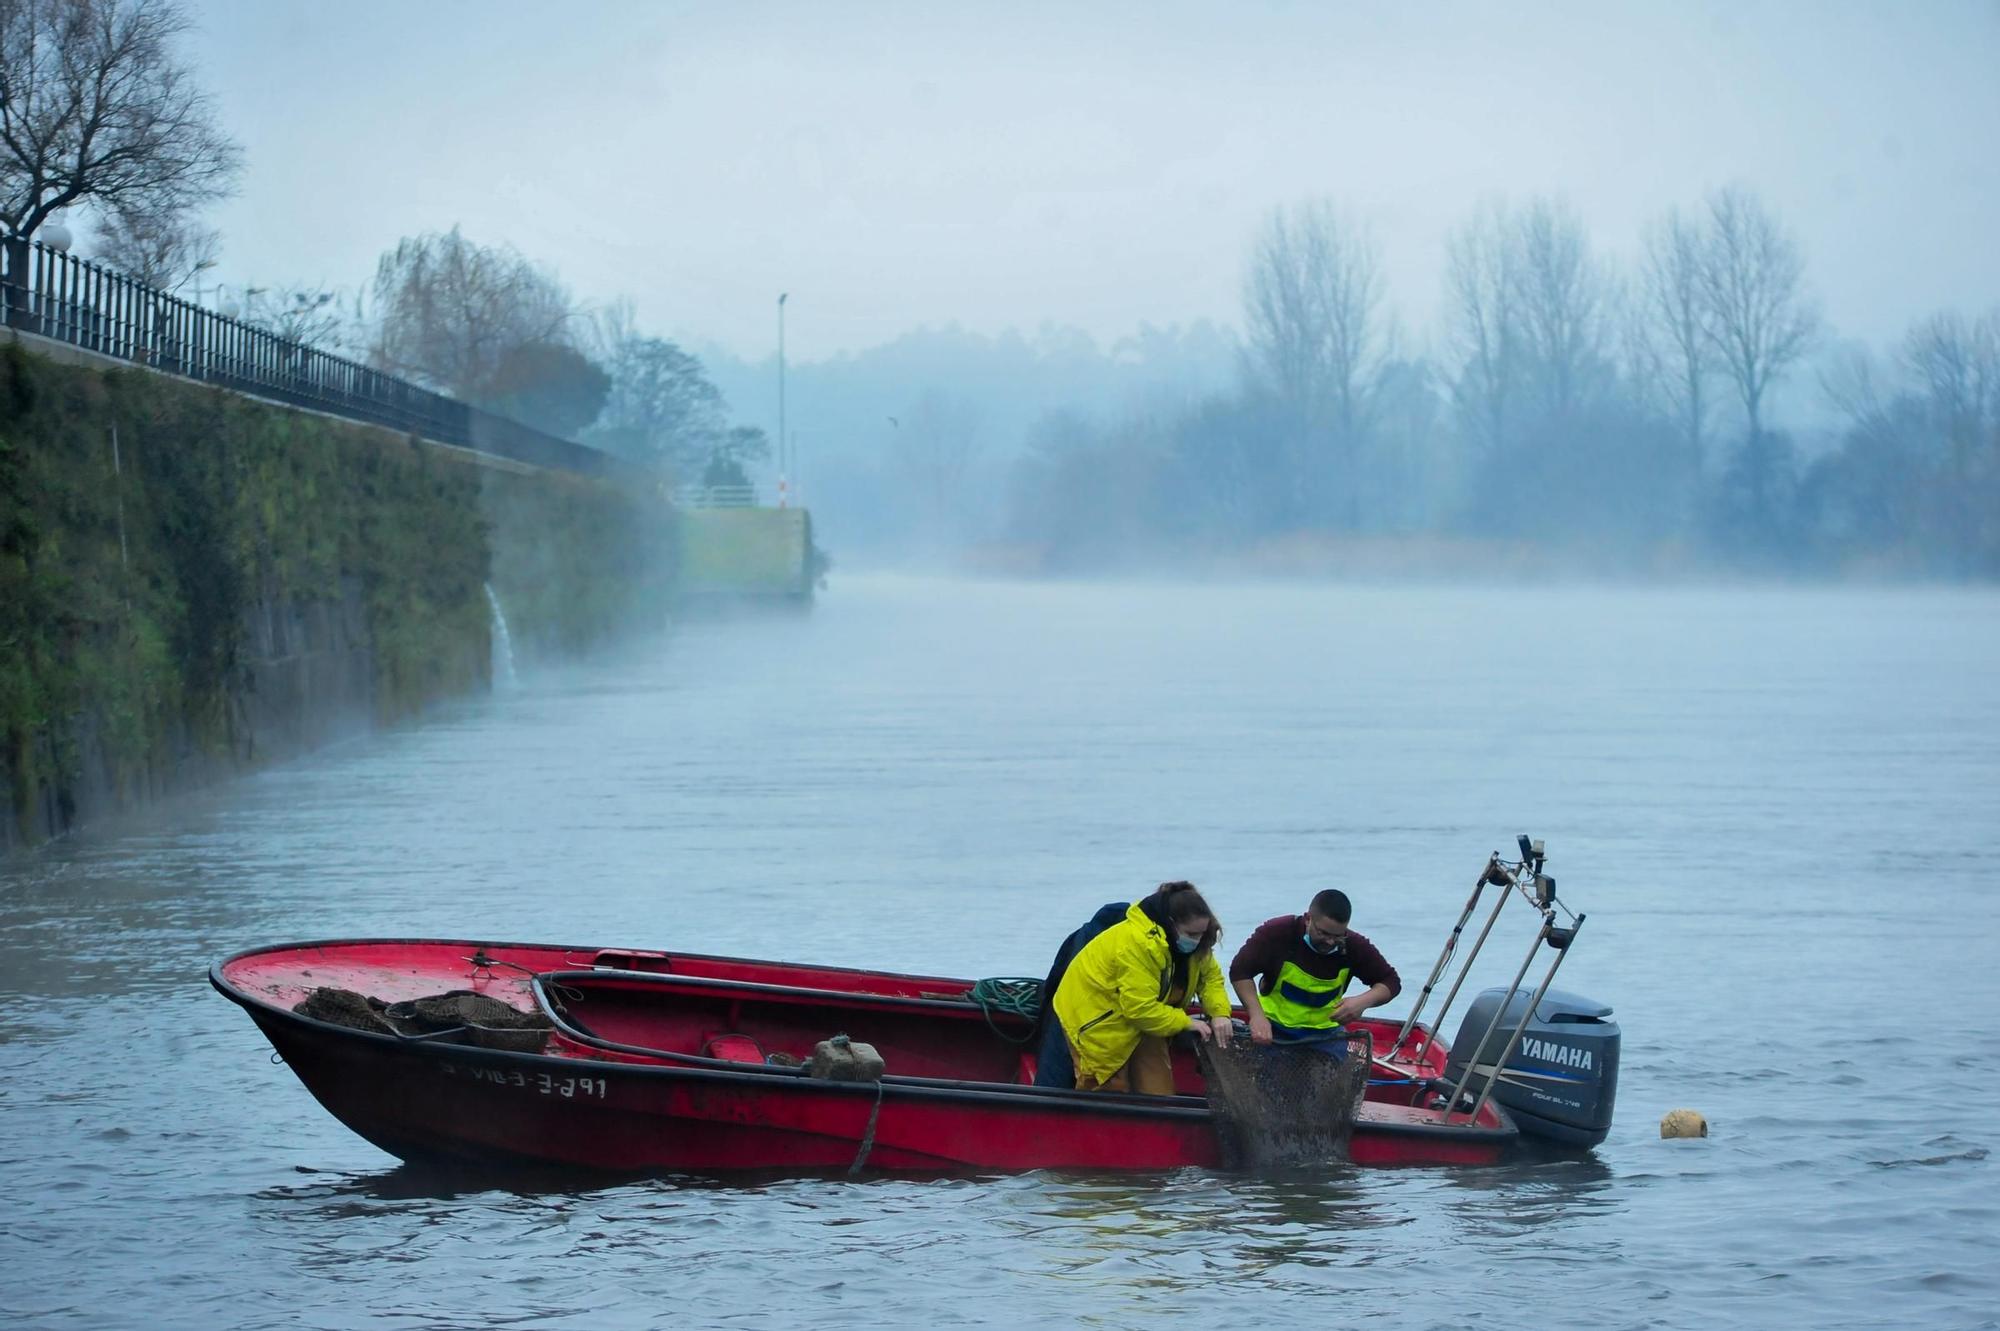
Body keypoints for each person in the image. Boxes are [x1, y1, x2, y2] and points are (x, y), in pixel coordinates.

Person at [1051, 881, 1233, 1094]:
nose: (1198, 940)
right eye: (1192, 934)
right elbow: (1138, 1009)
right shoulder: (1137, 944)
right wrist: (1185, 1022)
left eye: (1202, 933)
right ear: (1171, 923)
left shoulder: (1199, 942)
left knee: (1159, 1093)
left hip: (1149, 1016)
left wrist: (1220, 1013)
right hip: (1096, 1015)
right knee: (1107, 1088)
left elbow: (1210, 978)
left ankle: (1159, 1124)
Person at [1229, 888, 1400, 1054]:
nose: (1330, 942)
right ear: (1308, 919)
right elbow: (1240, 971)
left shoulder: (1354, 946)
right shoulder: (1278, 932)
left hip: (1326, 1036)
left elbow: (1390, 981)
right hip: (1273, 1030)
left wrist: (1362, 1002)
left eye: (1337, 936)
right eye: (1323, 933)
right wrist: (1256, 1016)